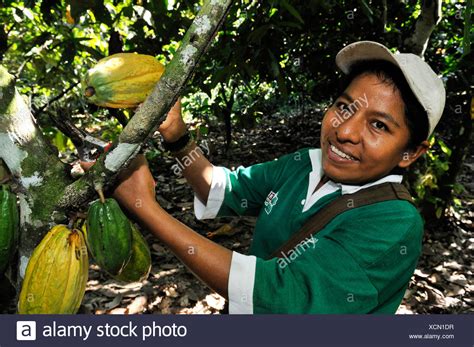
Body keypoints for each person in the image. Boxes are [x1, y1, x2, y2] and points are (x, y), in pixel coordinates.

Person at [109, 41, 446, 314]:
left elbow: (282, 296)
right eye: (345, 107)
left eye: (379, 125)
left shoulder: (394, 222)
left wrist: (145, 208)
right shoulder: (305, 163)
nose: (344, 131)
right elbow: (223, 189)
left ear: (410, 153)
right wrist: (176, 134)